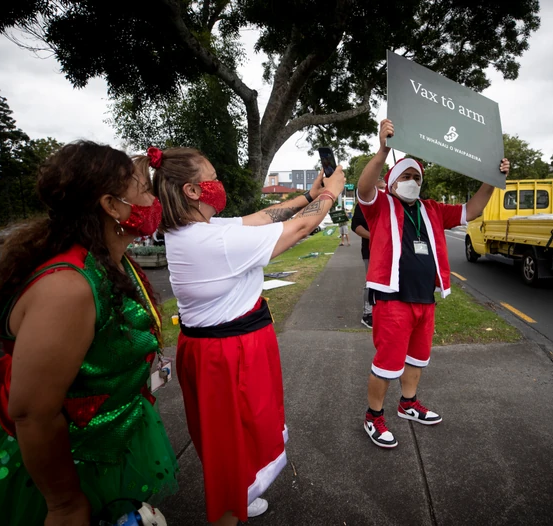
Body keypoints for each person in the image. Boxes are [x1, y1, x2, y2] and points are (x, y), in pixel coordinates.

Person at [0, 141, 178, 525]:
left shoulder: (115, 263)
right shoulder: (68, 288)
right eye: (144, 190)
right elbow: (33, 415)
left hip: (103, 442)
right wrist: (65, 503)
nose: (153, 200)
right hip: (57, 469)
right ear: (112, 205)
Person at [140, 147, 345, 525]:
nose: (219, 185)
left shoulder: (198, 230)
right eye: (212, 178)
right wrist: (332, 193)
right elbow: (298, 229)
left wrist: (310, 195)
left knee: (232, 444)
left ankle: (241, 489)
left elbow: (259, 218)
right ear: (192, 191)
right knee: (232, 445)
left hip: (220, 348)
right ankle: (230, 508)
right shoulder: (212, 242)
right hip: (226, 357)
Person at [356, 119, 510, 448]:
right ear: (393, 181)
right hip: (393, 300)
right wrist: (383, 150)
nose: (412, 182)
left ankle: (408, 404)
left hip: (425, 300)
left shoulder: (432, 209)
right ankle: (374, 416)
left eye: (416, 177)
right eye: (406, 176)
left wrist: (492, 179)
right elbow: (365, 187)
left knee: (417, 360)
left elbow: (473, 209)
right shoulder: (381, 206)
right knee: (386, 366)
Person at [350, 177, 387, 328]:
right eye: (380, 188)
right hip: (371, 251)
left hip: (392, 250)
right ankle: (368, 314)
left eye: (385, 188)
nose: (383, 191)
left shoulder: (392, 203)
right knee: (371, 282)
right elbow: (356, 226)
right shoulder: (363, 206)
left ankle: (385, 310)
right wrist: (374, 237)